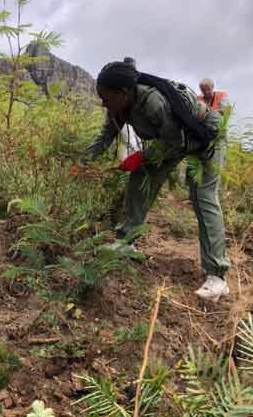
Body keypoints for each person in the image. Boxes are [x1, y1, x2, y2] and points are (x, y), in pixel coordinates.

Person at [84, 61, 229, 302]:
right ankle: (126, 242)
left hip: (206, 138)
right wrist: (82, 161)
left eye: (105, 97)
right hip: (174, 139)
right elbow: (105, 137)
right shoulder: (118, 107)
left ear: (123, 92)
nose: (103, 102)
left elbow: (174, 142)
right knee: (142, 176)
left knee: (202, 197)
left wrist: (141, 156)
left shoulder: (154, 103)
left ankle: (217, 277)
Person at [117, 57, 143, 160]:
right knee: (127, 141)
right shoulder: (119, 83)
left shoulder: (139, 82)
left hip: (136, 118)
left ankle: (133, 163)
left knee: (134, 142)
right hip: (126, 117)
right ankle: (127, 164)